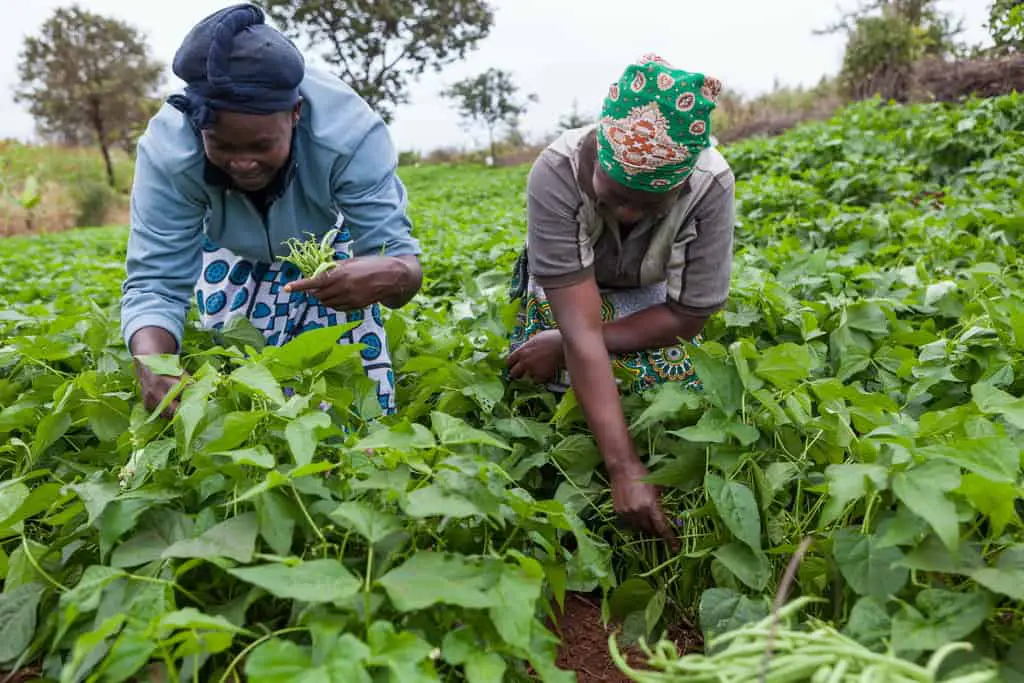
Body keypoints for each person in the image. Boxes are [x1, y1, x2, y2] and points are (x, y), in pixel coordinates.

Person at [120, 3, 422, 418]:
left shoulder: (349, 134)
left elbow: (399, 259)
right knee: (243, 390)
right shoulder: (168, 152)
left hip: (322, 246)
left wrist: (391, 273)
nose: (243, 163)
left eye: (262, 146)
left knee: (349, 403)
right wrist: (153, 366)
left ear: (296, 113)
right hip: (228, 247)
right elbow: (156, 282)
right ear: (197, 126)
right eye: (221, 145)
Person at [506, 54, 736, 545]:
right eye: (612, 197)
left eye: (647, 206)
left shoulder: (710, 184)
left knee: (677, 380)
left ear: (679, 186)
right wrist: (623, 467)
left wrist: (568, 341)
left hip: (648, 299)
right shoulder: (557, 170)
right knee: (543, 382)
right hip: (566, 290)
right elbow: (580, 326)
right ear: (597, 157)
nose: (627, 214)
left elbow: (687, 314)